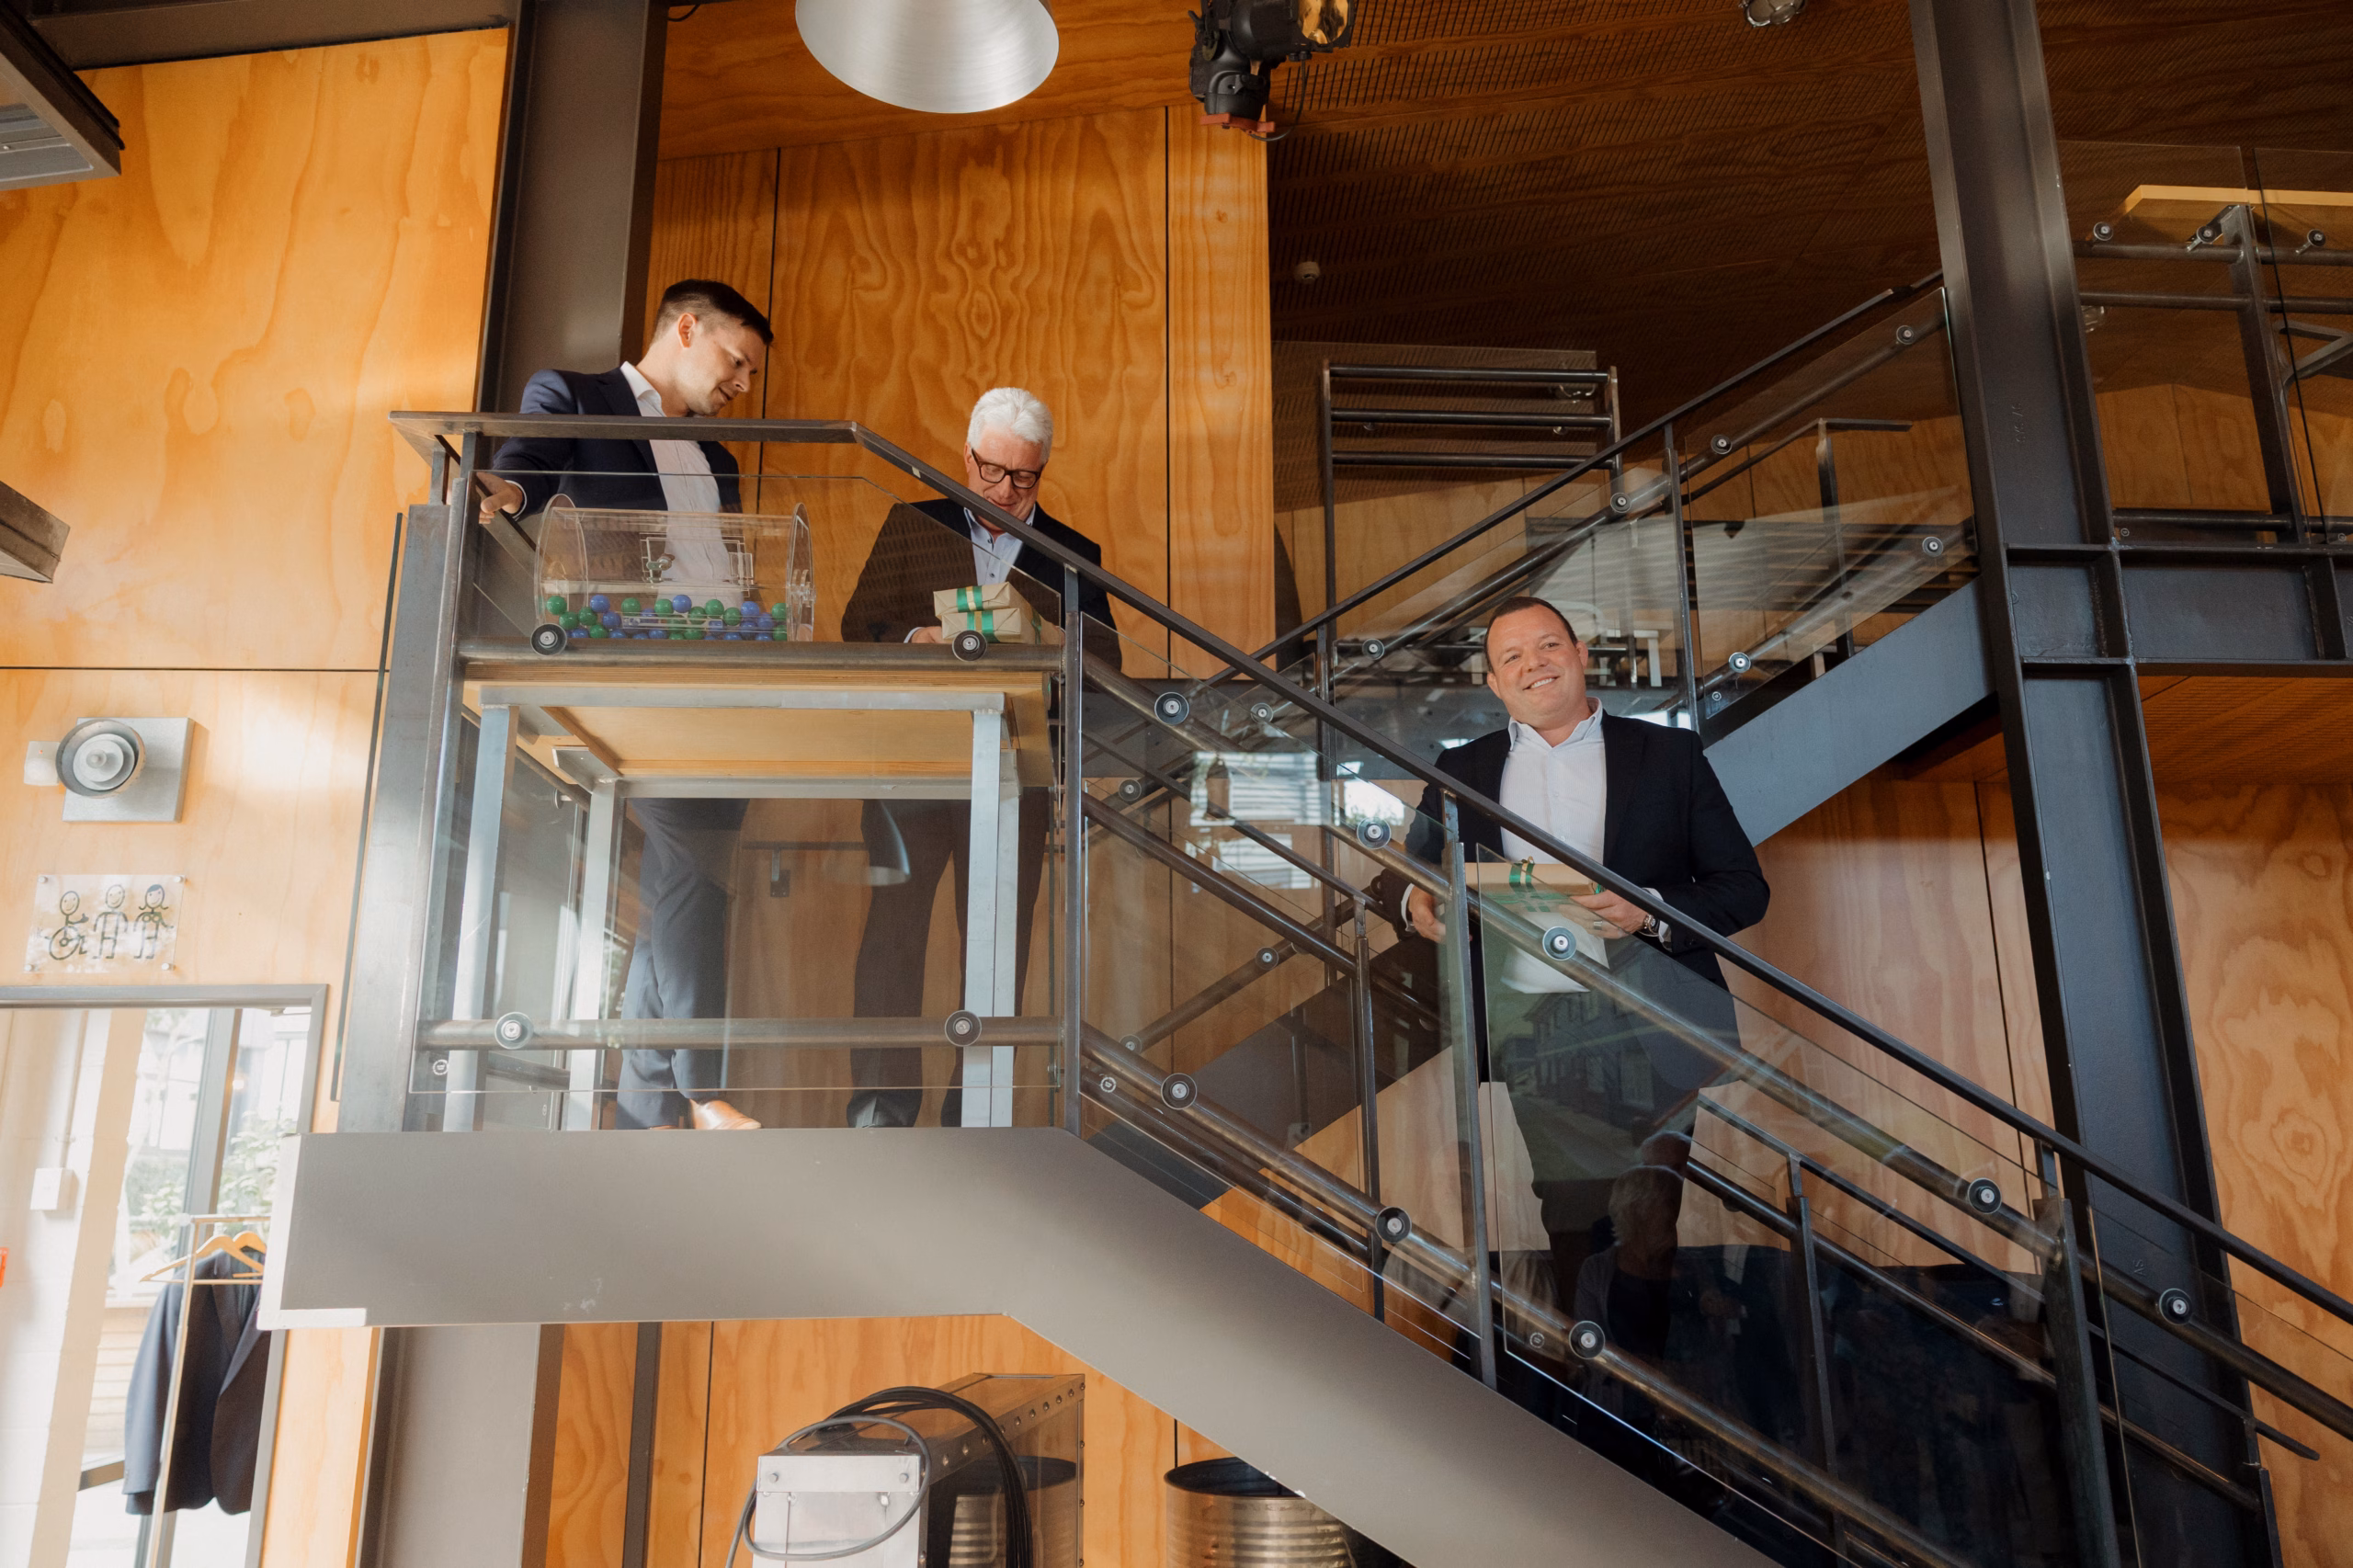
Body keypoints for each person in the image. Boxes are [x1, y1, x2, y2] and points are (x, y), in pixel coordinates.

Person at [1380, 594, 1768, 1293]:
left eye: (1549, 645)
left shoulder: (1669, 754)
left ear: (1581, 655)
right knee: (1570, 1221)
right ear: (1495, 683)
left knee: (1649, 1224)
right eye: (1512, 657)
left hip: (1653, 1019)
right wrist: (1416, 900)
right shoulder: (1461, 768)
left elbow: (1743, 888)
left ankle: (1635, 1363)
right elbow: (1410, 872)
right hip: (1538, 1029)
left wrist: (1647, 911)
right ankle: (1589, 1361)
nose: (1534, 664)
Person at [483, 279, 773, 1132]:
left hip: (728, 682)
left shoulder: (718, 461)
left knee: (690, 877)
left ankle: (647, 1104)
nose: (743, 384)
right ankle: (700, 1089)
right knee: (692, 872)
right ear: (686, 329)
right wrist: (506, 491)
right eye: (737, 361)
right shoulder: (575, 396)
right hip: (639, 675)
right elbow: (526, 469)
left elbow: (732, 564)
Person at [836, 387, 1117, 1126]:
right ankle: (881, 1110)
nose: (1005, 490)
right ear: (966, 457)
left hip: (1017, 774)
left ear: (1042, 470)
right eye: (992, 471)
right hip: (914, 765)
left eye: (1024, 476)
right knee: (892, 937)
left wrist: (1055, 644)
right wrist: (918, 641)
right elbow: (859, 624)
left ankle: (974, 1113)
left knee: (998, 946)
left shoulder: (1073, 553)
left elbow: (1110, 663)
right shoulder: (913, 523)